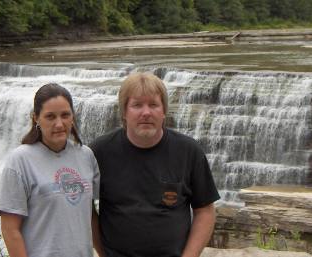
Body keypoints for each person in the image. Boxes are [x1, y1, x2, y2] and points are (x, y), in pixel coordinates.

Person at [90, 72, 220, 257]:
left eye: (153, 104)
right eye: (137, 105)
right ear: (124, 112)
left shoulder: (189, 152)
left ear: (163, 111)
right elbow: (86, 209)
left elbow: (205, 211)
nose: (146, 112)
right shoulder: (98, 153)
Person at [0, 83, 100, 257]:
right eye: (50, 117)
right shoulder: (20, 161)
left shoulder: (86, 156)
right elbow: (10, 229)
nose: (59, 124)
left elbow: (90, 215)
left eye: (65, 115)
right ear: (36, 118)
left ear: (73, 117)